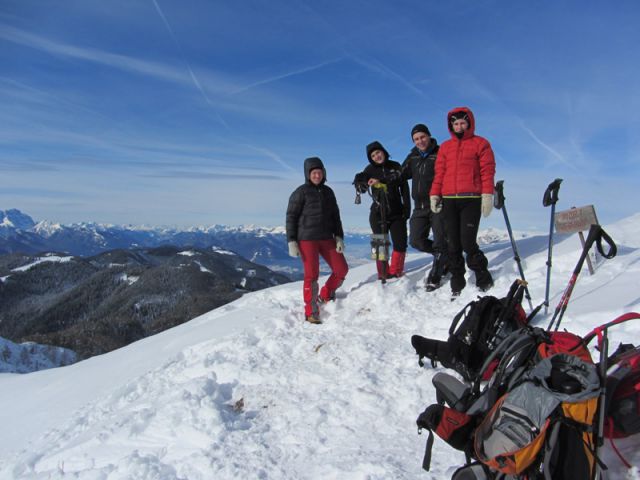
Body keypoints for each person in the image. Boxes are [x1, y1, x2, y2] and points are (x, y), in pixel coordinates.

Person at [429, 107, 495, 296]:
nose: (459, 126)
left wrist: (487, 195)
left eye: (462, 123)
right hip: (449, 200)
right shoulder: (445, 147)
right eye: (455, 123)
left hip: (471, 200)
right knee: (453, 244)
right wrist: (435, 194)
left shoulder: (480, 144)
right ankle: (457, 279)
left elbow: (487, 170)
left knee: (467, 242)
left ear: (469, 123)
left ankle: (482, 275)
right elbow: (439, 173)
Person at [286, 157, 349, 324]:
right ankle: (311, 311)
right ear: (308, 174)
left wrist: (339, 237)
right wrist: (291, 240)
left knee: (341, 269)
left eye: (319, 172)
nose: (317, 175)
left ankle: (326, 294)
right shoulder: (300, 192)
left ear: (324, 173)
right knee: (312, 275)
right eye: (313, 173)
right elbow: (291, 217)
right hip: (307, 239)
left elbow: (336, 216)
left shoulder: (328, 192)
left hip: (327, 237)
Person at [353, 141, 410, 280]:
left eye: (378, 152)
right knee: (380, 245)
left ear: (383, 151)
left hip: (397, 211)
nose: (376, 156)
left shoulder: (395, 166)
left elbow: (404, 190)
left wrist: (407, 209)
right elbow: (363, 189)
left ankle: (395, 271)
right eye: (372, 155)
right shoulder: (369, 170)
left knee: (401, 243)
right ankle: (383, 274)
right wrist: (359, 183)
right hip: (378, 212)